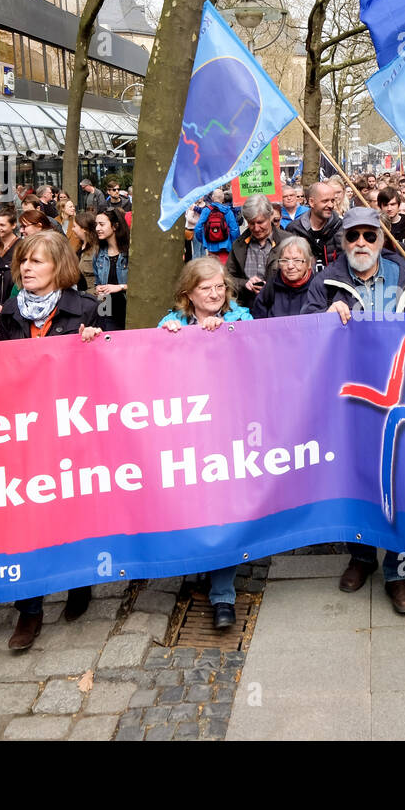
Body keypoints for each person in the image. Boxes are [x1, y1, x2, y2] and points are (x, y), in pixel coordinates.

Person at [0, 231, 103, 650]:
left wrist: (96, 343)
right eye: (23, 261)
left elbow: (114, 366)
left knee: (73, 511)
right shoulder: (9, 311)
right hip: (22, 434)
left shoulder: (87, 308)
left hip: (70, 430)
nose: (26, 268)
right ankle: (29, 610)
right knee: (26, 517)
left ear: (58, 266)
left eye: (37, 261)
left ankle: (79, 583)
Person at [301, 206, 405, 614]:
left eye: (369, 236)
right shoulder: (327, 281)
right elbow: (303, 329)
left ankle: (399, 572)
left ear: (382, 240)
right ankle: (361, 556)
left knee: (398, 481)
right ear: (343, 241)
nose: (361, 244)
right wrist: (324, 318)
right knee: (357, 478)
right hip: (352, 399)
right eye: (353, 236)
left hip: (401, 393)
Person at [158, 258, 253, 628]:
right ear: (188, 294)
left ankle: (223, 594)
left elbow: (257, 358)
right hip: (187, 433)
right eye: (205, 288)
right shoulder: (172, 323)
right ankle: (200, 563)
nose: (214, 294)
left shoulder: (242, 318)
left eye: (219, 287)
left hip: (228, 431)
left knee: (223, 511)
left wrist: (225, 332)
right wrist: (164, 339)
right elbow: (149, 366)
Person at [226, 194, 287, 310]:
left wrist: (270, 287)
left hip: (280, 308)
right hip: (248, 309)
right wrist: (245, 284)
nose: (256, 228)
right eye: (251, 223)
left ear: (270, 216)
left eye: (260, 222)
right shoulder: (239, 245)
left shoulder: (288, 242)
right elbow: (227, 278)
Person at [252, 235, 316, 319]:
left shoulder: (317, 289)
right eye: (285, 260)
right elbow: (258, 321)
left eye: (297, 260)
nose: (290, 266)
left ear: (308, 264)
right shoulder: (270, 287)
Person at [286, 181, 343, 271]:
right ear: (311, 202)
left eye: (332, 200)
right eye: (325, 201)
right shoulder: (294, 230)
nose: (331, 205)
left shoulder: (342, 228)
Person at [92, 208, 130, 330]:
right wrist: (98, 289)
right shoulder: (98, 254)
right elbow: (97, 282)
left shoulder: (129, 252)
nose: (97, 228)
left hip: (128, 312)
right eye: (96, 224)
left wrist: (120, 287)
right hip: (107, 312)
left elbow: (142, 285)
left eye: (102, 224)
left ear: (115, 226)